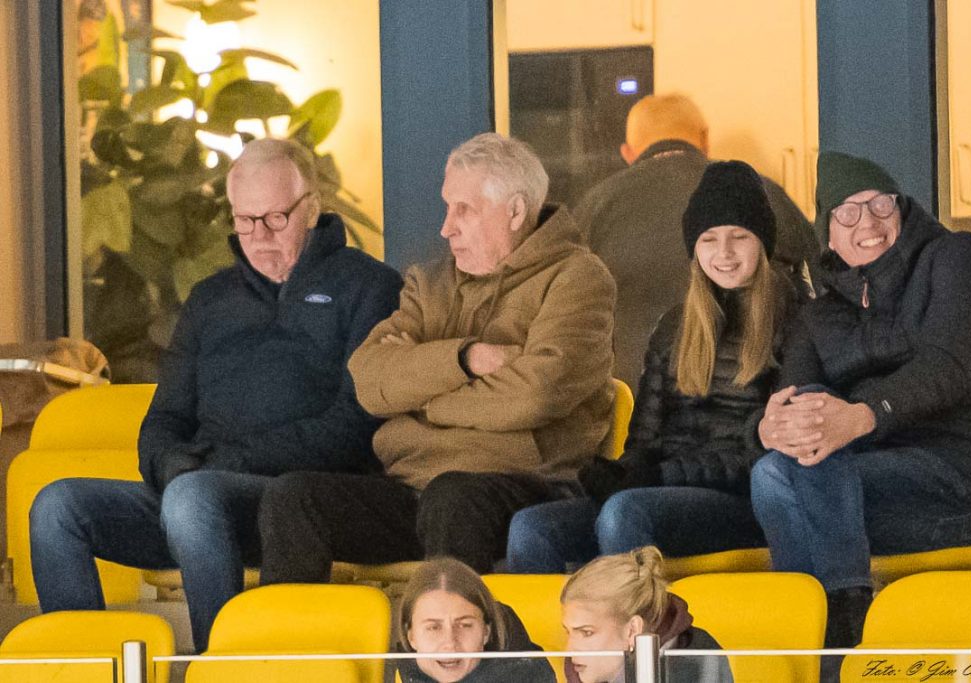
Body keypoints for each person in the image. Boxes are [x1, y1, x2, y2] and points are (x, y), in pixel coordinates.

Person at [29, 138, 403, 652]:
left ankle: (222, 665)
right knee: (56, 506)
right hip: (195, 493)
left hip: (295, 503)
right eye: (245, 221)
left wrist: (227, 464)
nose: (259, 237)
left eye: (275, 219)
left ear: (313, 208)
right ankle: (82, 668)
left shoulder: (370, 287)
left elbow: (355, 423)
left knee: (193, 497)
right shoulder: (211, 298)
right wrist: (167, 464)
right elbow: (166, 417)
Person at [256, 132, 616, 579]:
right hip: (412, 486)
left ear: (515, 211)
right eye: (447, 207)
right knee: (293, 496)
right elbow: (369, 380)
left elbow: (535, 395)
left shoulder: (578, 278)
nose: (446, 228)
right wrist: (465, 360)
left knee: (452, 497)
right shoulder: (429, 284)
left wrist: (421, 397)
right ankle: (291, 630)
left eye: (464, 209)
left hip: (526, 484)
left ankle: (456, 626)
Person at [750, 151, 971, 650]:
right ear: (828, 234)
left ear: (901, 207)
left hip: (961, 488)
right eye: (847, 212)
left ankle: (827, 637)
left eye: (880, 204)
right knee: (772, 469)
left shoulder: (956, 258)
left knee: (790, 476)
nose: (868, 223)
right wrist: (770, 428)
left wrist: (863, 416)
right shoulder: (819, 316)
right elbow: (794, 404)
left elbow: (947, 368)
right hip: (855, 496)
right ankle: (838, 618)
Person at [507, 160, 795, 573]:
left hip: (745, 501)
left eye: (739, 237)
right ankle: (559, 619)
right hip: (662, 490)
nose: (724, 253)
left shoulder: (793, 322)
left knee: (624, 513)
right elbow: (644, 442)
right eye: (709, 239)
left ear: (762, 243)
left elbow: (772, 461)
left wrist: (660, 476)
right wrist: (622, 472)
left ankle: (637, 618)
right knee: (532, 528)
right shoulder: (675, 327)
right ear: (693, 248)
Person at [573, 93, 818, 391]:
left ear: (628, 152)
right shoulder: (763, 193)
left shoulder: (596, 206)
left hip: (635, 395)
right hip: (754, 392)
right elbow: (820, 287)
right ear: (704, 138)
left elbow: (571, 315)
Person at [561, 546, 732, 683]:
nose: (570, 649)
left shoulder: (699, 663)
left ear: (632, 630)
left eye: (587, 633)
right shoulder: (581, 669)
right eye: (569, 632)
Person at [391, 557, 556, 683]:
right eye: (434, 627)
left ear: (486, 632)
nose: (450, 643)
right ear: (411, 637)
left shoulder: (528, 675)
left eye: (465, 625)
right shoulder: (412, 674)